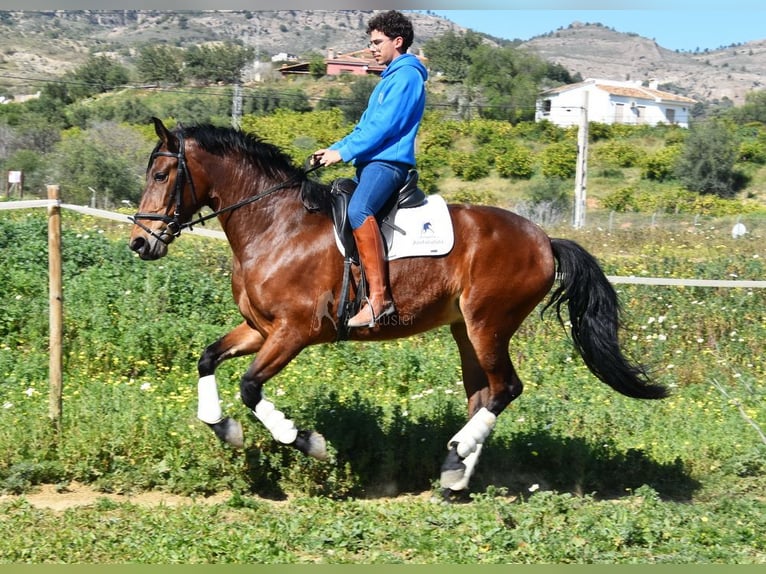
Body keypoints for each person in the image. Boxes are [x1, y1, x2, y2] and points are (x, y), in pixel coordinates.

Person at [313, 10, 428, 329]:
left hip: (388, 163)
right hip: (371, 162)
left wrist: (344, 152)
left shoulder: (406, 76)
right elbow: (365, 127)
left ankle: (379, 300)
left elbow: (384, 126)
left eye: (378, 42)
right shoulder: (389, 78)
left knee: (360, 210)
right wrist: (334, 149)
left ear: (398, 41)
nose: (372, 48)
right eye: (371, 43)